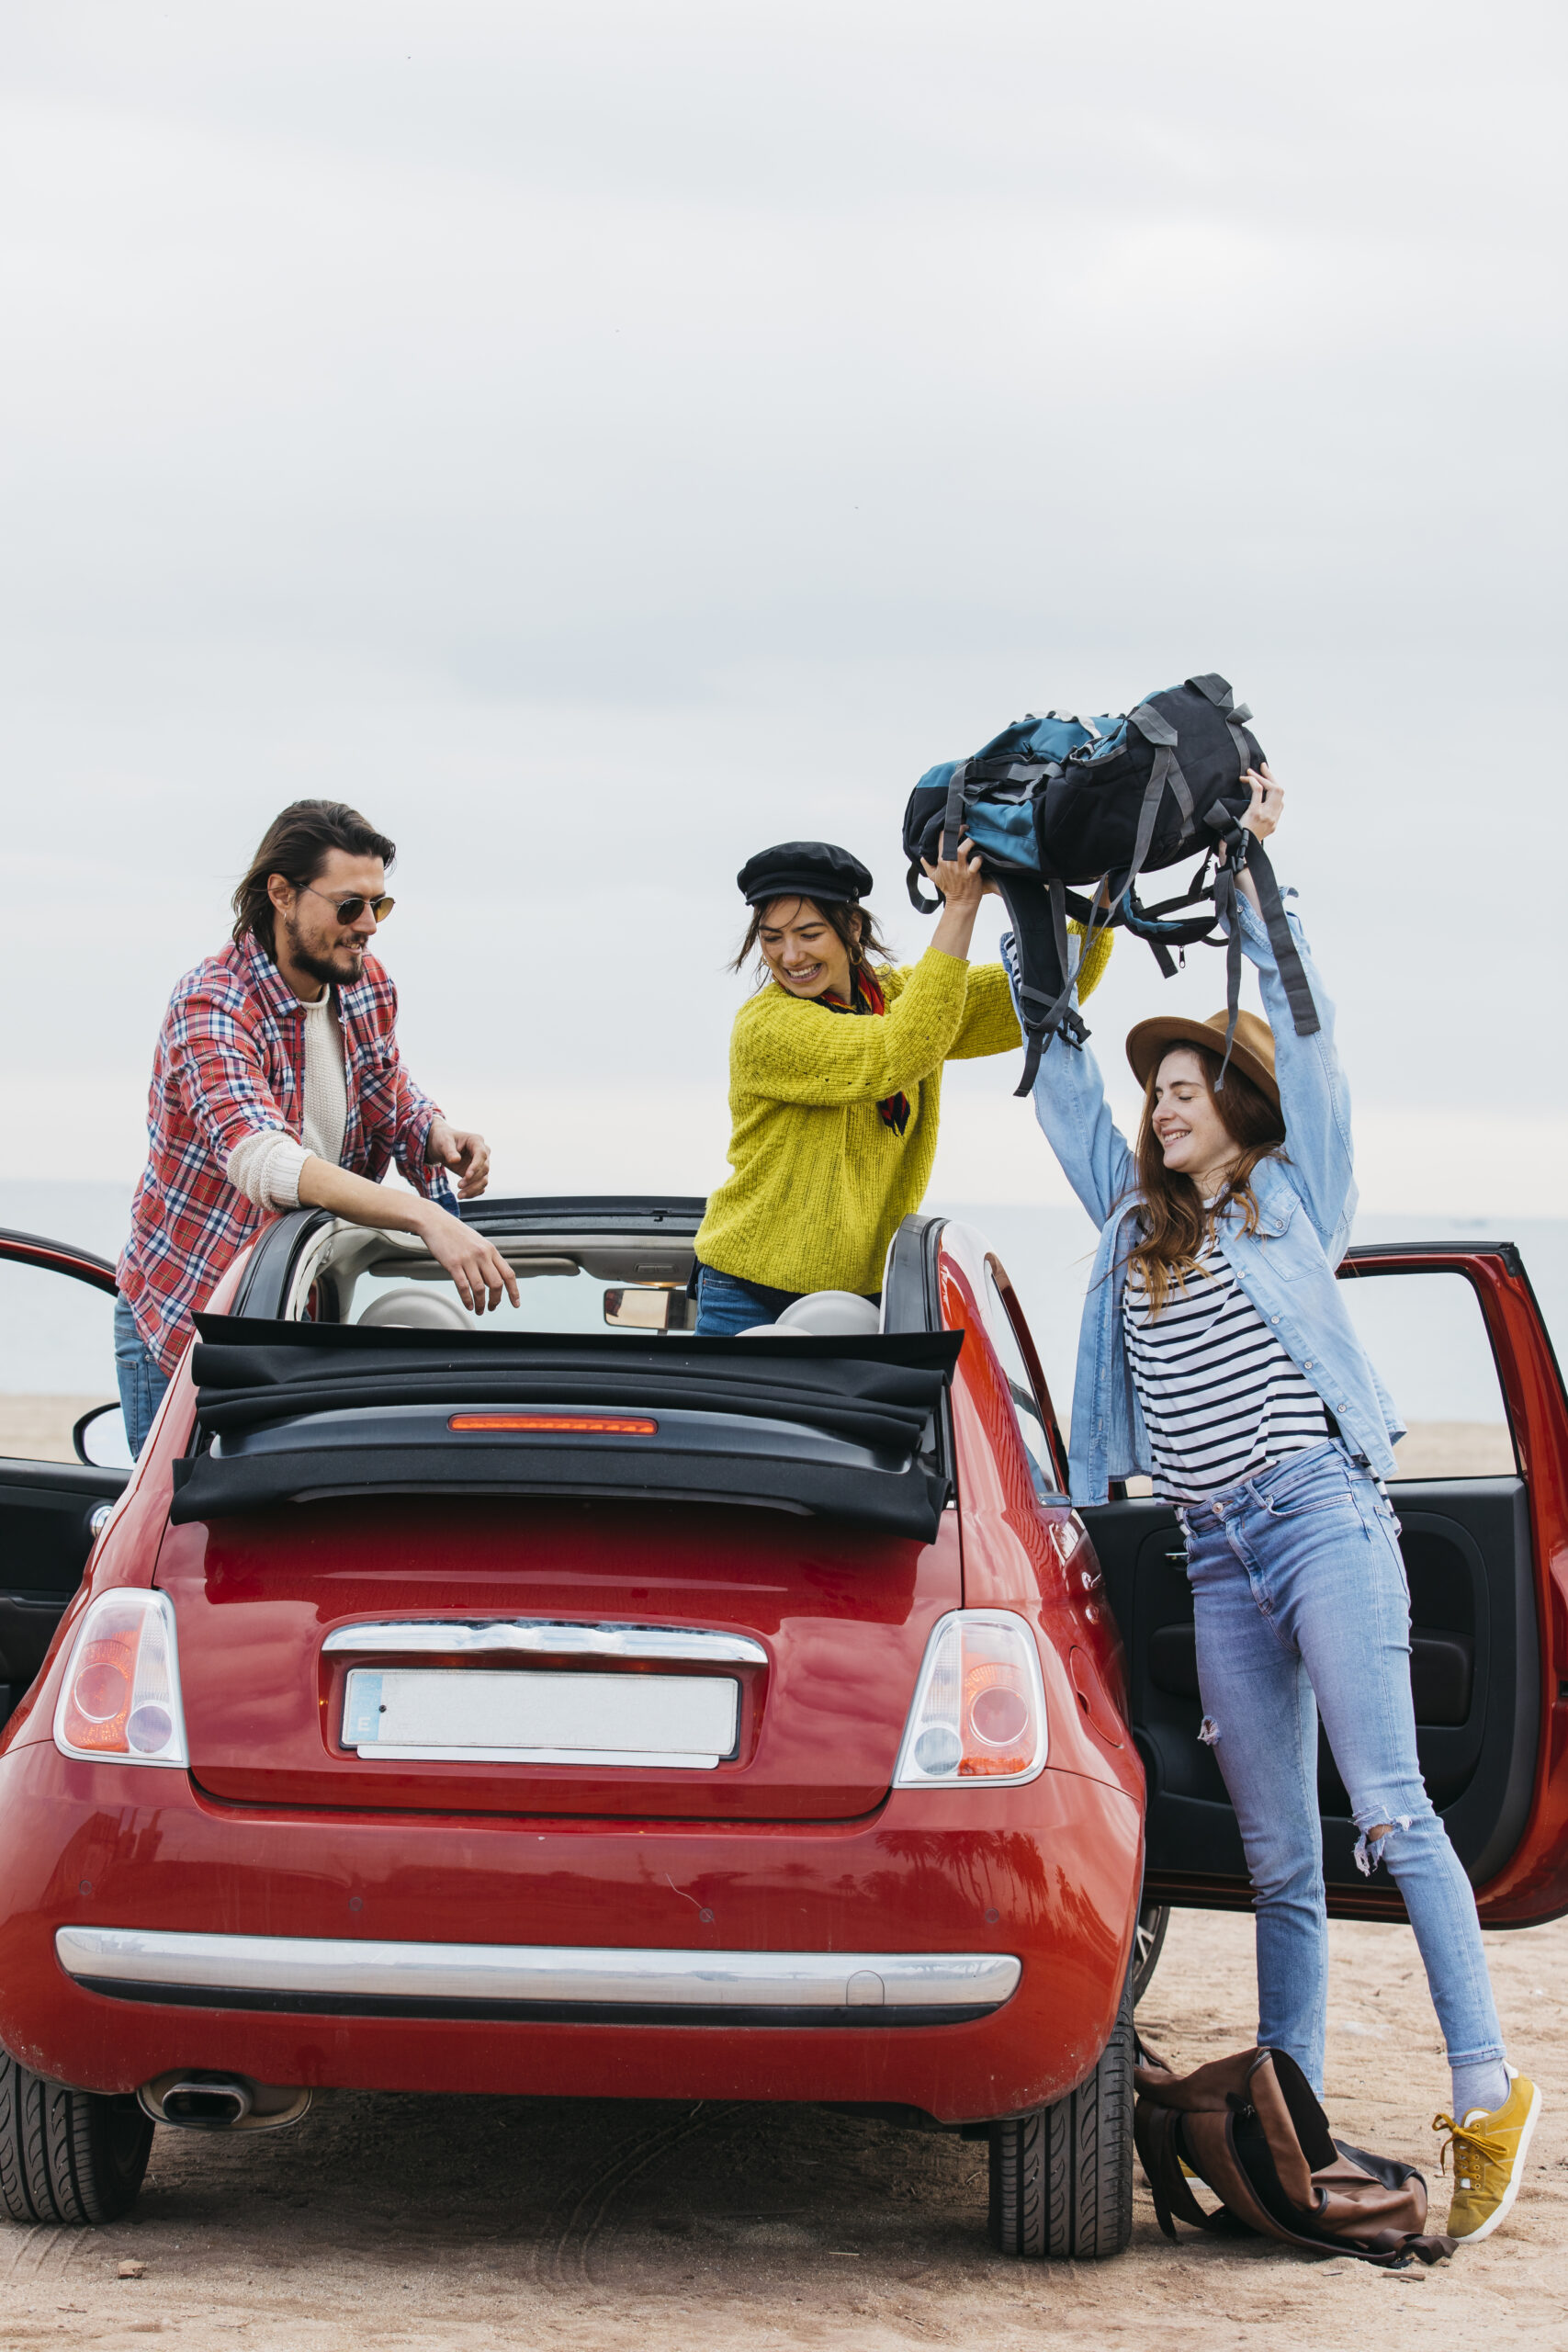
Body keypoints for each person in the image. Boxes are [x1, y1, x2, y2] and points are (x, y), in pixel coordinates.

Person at [1018, 765, 1539, 2245]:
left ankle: (1488, 2085)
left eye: (1182, 1089)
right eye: (1156, 1096)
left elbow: (1309, 1041)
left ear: (1233, 1113)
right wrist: (1026, 924)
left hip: (1318, 1515)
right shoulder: (1128, 1226)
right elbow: (1056, 1073)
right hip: (1215, 1556)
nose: (1158, 1106)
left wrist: (1252, 870)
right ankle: (1292, 2109)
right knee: (1274, 1860)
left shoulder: (1289, 1200)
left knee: (1384, 1809)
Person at [115, 800, 519, 1454]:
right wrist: (423, 1218)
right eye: (349, 906)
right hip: (191, 1323)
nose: (368, 927)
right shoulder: (212, 1005)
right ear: (282, 893)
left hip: (298, 1315)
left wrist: (435, 1135)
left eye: (379, 907)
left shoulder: (364, 984)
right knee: (176, 1534)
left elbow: (385, 1087)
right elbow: (265, 1163)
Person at [692, 836, 1111, 1337]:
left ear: (851, 927)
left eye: (808, 933)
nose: (790, 955)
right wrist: (959, 905)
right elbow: (896, 1053)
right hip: (748, 1292)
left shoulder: (899, 998)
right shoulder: (767, 1026)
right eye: (772, 937)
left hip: (863, 1296)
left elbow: (1054, 989)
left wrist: (1105, 886)